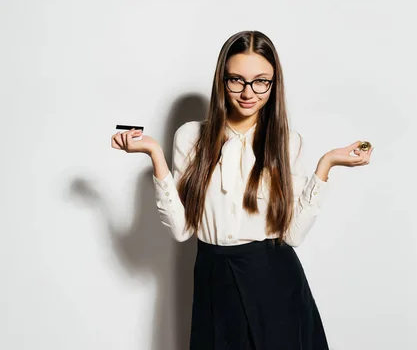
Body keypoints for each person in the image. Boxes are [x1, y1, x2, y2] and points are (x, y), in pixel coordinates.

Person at [111, 30, 373, 349]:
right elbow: (181, 230)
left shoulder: (288, 142)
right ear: (222, 81)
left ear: (274, 84)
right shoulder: (190, 138)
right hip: (214, 278)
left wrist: (325, 166)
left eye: (261, 81)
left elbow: (293, 236)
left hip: (275, 280)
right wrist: (155, 156)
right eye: (237, 80)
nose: (248, 92)